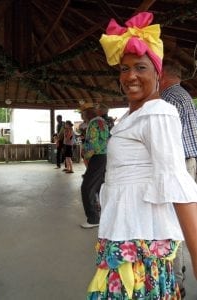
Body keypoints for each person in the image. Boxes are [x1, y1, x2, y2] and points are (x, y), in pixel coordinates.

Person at [87, 12, 197, 299]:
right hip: (124, 235)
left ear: (158, 73)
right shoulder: (133, 115)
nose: (131, 76)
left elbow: (177, 184)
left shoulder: (158, 112)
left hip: (138, 244)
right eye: (124, 69)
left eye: (141, 67)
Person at [160, 58, 197, 297]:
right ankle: (178, 278)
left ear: (163, 74)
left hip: (177, 166)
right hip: (187, 163)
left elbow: (162, 140)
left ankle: (175, 283)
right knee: (185, 224)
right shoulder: (183, 95)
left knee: (171, 225)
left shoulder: (169, 98)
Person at [80, 103, 109, 229]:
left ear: (88, 114)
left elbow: (92, 143)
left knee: (87, 187)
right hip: (104, 157)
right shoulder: (103, 122)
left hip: (96, 157)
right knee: (99, 187)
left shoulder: (93, 123)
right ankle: (102, 213)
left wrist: (86, 155)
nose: (82, 118)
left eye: (83, 115)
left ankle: (93, 219)